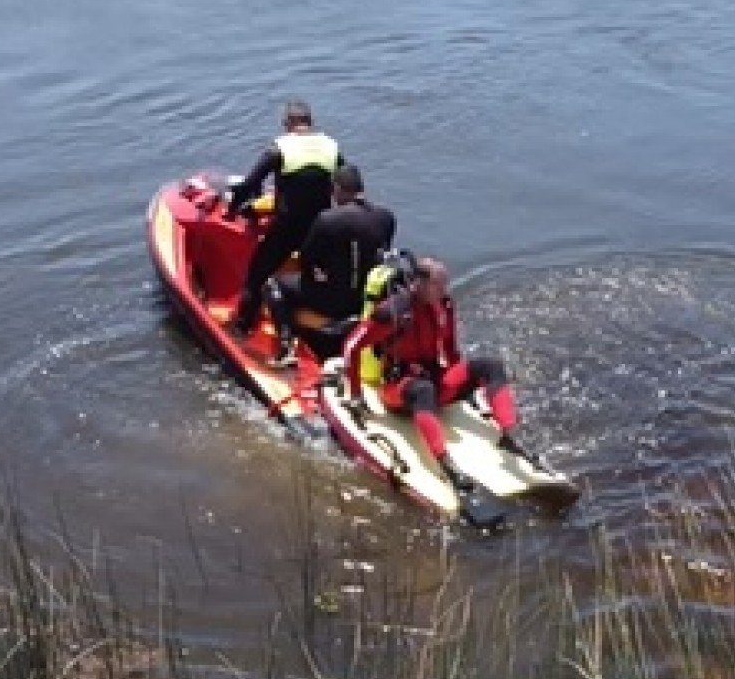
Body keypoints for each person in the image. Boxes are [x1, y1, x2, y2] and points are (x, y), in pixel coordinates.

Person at [343, 256, 532, 495]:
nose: (445, 290)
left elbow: (451, 351)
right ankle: (445, 463)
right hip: (399, 388)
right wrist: (356, 394)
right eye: (439, 285)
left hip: (435, 378)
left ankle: (508, 434)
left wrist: (464, 386)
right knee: (424, 390)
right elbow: (351, 347)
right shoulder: (392, 312)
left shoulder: (444, 304)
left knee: (491, 365)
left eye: (445, 284)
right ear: (419, 284)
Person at [226, 100, 341, 335]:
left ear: (287, 123)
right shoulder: (331, 147)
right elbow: (345, 183)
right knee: (316, 276)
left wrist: (233, 209)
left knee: (256, 276)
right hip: (320, 228)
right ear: (310, 123)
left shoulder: (280, 148)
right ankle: (311, 325)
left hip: (288, 227)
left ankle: (242, 328)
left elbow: (250, 184)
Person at [264, 163, 394, 367]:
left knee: (273, 284)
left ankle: (286, 346)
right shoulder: (386, 217)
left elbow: (307, 258)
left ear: (339, 189)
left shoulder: (328, 220)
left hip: (332, 300)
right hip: (365, 300)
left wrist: (317, 273)